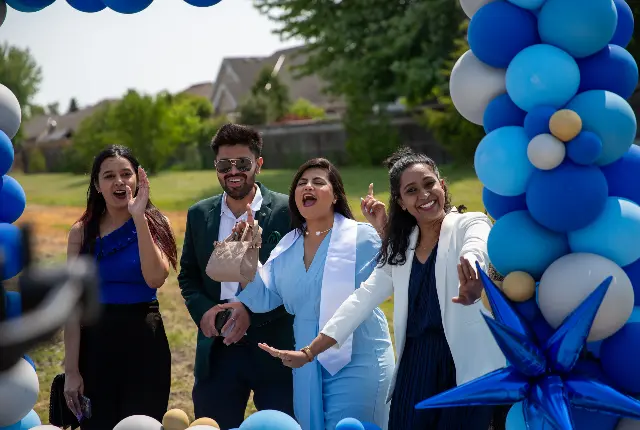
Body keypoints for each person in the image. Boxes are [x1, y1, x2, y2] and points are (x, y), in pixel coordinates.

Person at [264, 148, 507, 429]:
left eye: (429, 184)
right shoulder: (402, 248)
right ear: (401, 203)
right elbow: (361, 301)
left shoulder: (468, 222)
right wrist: (310, 352)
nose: (424, 195)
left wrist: (472, 265)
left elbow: (477, 240)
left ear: (442, 185)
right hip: (414, 368)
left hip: (463, 364)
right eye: (412, 190)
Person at [217, 158, 395, 430]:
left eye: (317, 182)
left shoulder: (362, 236)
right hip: (306, 363)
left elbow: (400, 270)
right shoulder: (286, 247)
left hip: (358, 359)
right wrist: (245, 251)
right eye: (301, 183)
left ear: (335, 195)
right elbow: (262, 299)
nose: (307, 187)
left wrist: (384, 227)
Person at [178, 124, 295, 429]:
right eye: (223, 165)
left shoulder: (287, 211)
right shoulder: (198, 214)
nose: (233, 172)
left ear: (258, 164)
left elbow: (297, 281)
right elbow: (188, 277)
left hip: (275, 348)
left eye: (242, 164)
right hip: (218, 350)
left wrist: (249, 311)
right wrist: (205, 312)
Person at [63, 145, 177, 430]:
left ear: (138, 180)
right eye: (109, 176)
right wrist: (72, 371)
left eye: (126, 174)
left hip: (144, 342)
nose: (119, 182)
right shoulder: (81, 233)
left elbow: (155, 279)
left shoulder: (156, 224)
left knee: (141, 424)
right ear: (97, 185)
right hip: (96, 346)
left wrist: (139, 217)